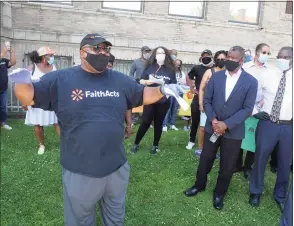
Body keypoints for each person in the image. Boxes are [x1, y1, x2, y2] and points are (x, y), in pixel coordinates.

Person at [10, 33, 179, 226]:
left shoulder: (119, 80)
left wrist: (162, 90)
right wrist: (21, 82)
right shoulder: (61, 79)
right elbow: (28, 97)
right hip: (80, 170)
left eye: (106, 49)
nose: (102, 52)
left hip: (116, 167)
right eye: (96, 48)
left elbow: (142, 94)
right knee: (80, 221)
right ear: (83, 53)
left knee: (115, 219)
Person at [184, 46, 258, 211]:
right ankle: (199, 185)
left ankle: (219, 193)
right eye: (228, 57)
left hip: (233, 132)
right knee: (205, 159)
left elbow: (247, 109)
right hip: (213, 127)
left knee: (227, 165)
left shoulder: (251, 82)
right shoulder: (216, 77)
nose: (229, 60)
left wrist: (226, 124)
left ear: (241, 61)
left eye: (233, 58)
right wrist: (214, 120)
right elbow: (208, 100)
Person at [249, 47, 293, 212]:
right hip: (268, 124)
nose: (282, 59)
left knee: (285, 162)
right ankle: (255, 191)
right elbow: (252, 96)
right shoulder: (267, 75)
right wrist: (255, 112)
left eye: (286, 57)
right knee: (260, 158)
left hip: (288, 126)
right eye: (280, 56)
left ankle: (280, 195)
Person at [130, 46, 177, 155]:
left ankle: (155, 145)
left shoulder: (170, 69)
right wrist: (147, 82)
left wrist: (165, 85)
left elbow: (173, 84)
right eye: (158, 53)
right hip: (150, 99)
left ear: (166, 55)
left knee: (158, 123)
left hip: (164, 100)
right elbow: (141, 80)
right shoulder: (150, 67)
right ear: (155, 55)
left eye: (162, 53)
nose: (160, 55)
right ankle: (136, 143)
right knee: (145, 121)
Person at [235, 43, 271, 179]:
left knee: (253, 139)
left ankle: (248, 166)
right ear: (256, 53)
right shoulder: (245, 68)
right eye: (264, 52)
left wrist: (261, 104)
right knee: (238, 135)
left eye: (268, 53)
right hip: (243, 107)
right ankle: (236, 164)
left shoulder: (270, 71)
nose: (266, 55)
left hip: (260, 109)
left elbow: (268, 91)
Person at [24, 46, 60, 155]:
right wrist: (25, 100)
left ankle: (65, 144)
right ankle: (41, 145)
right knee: (38, 124)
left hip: (52, 100)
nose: (52, 57)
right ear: (44, 56)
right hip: (37, 101)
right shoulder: (32, 68)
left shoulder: (54, 67)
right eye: (51, 55)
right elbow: (23, 84)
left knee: (58, 122)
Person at [196, 50, 227, 156]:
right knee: (203, 127)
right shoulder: (209, 72)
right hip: (207, 104)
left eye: (223, 59)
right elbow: (201, 88)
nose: (221, 61)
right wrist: (201, 103)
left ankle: (212, 150)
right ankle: (200, 149)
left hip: (220, 106)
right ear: (215, 59)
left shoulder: (228, 73)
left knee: (217, 128)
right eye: (218, 59)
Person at [186, 49, 214, 150]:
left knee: (210, 121)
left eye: (208, 56)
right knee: (195, 121)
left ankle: (209, 141)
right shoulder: (197, 68)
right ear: (201, 58)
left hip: (212, 99)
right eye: (204, 56)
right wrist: (191, 88)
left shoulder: (215, 69)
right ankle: (192, 140)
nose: (206, 58)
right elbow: (188, 76)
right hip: (198, 97)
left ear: (212, 57)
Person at [163, 59, 187, 132]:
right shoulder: (169, 72)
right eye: (176, 64)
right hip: (169, 94)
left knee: (175, 109)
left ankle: (172, 124)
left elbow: (183, 84)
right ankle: (164, 125)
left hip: (178, 94)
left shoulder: (182, 73)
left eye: (179, 64)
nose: (177, 65)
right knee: (168, 109)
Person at [0, 42, 16, 130]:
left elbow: (12, 62)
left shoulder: (3, 60)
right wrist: (3, 52)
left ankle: (3, 123)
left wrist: (12, 52)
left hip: (3, 88)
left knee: (2, 106)